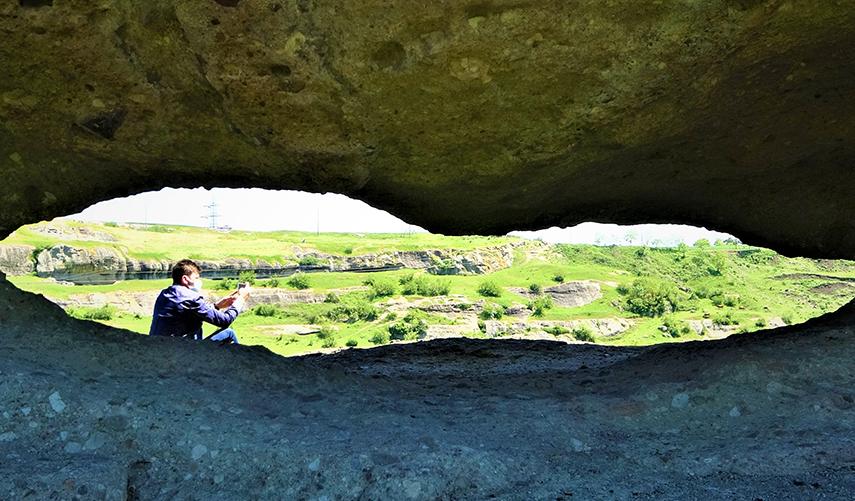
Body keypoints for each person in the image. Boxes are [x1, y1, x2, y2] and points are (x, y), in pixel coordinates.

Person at [149, 259, 249, 345]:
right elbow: (225, 321)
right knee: (229, 333)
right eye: (196, 278)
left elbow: (192, 313)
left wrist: (217, 306)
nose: (199, 281)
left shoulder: (164, 294)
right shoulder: (190, 298)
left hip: (159, 346)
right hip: (180, 350)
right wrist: (240, 300)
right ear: (185, 279)